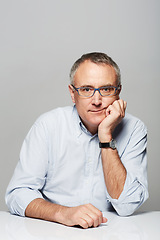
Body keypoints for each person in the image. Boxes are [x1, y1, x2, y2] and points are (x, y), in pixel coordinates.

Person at [5, 52, 148, 229]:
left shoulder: (134, 129)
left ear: (118, 92)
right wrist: (63, 213)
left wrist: (105, 137)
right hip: (52, 231)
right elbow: (17, 194)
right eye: (87, 89)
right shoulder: (48, 125)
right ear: (73, 94)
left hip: (111, 233)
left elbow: (127, 205)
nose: (97, 101)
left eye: (106, 89)